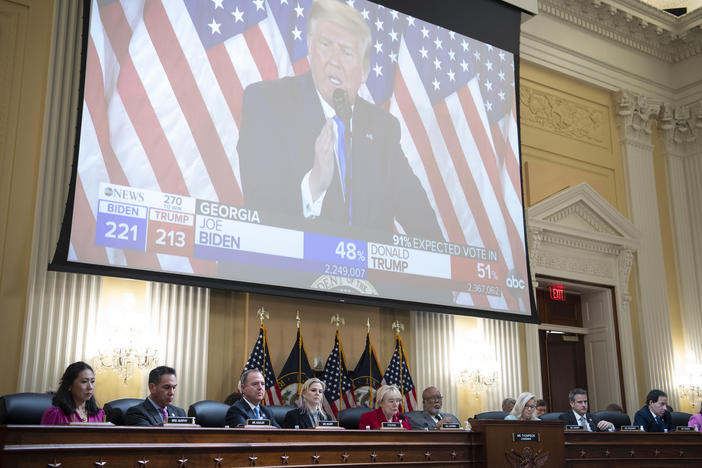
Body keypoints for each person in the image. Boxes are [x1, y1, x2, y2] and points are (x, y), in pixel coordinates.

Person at [237, 0, 442, 242]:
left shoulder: (382, 129)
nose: (334, 60)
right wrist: (314, 185)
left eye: (346, 52)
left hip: (370, 279)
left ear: (364, 71)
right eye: (325, 45)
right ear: (310, 49)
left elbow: (422, 222)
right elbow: (261, 213)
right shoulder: (267, 103)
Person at [41, 361, 105, 424]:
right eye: (84, 381)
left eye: (92, 381)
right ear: (69, 385)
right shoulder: (56, 414)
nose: (90, 387)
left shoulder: (99, 414)